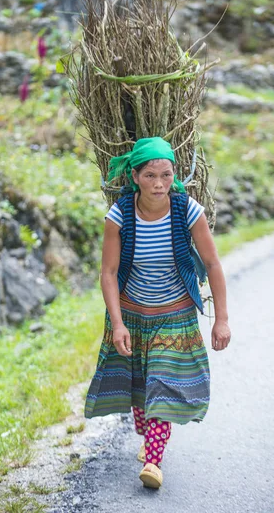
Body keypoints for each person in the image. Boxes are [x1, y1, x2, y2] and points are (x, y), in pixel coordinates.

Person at [84, 137, 231, 489]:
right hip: (133, 312)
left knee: (162, 386)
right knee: (140, 389)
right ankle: (149, 435)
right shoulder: (119, 215)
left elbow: (211, 263)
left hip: (174, 313)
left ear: (174, 175)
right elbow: (107, 273)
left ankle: (153, 460)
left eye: (166, 174)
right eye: (150, 175)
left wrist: (222, 318)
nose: (159, 184)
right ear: (135, 177)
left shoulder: (187, 210)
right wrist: (117, 323)